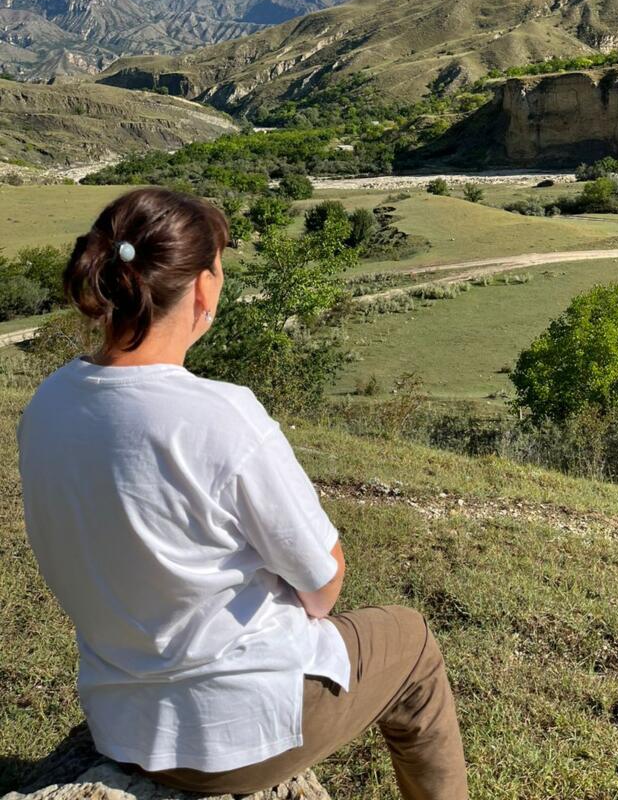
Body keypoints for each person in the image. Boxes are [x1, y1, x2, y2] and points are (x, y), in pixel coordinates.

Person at [17, 186, 468, 799]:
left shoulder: (48, 405)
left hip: (121, 723)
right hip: (233, 736)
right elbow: (323, 585)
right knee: (412, 644)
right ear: (203, 289)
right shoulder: (220, 415)